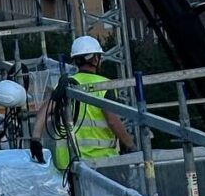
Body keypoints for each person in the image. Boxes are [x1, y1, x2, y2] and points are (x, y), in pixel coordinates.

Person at [30, 34, 134, 170]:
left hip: (69, 162)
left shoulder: (64, 86)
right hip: (101, 161)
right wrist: (130, 145)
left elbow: (43, 113)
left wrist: (36, 139)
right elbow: (113, 121)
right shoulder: (104, 86)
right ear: (96, 59)